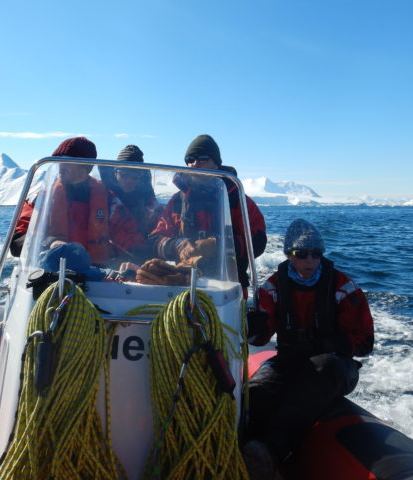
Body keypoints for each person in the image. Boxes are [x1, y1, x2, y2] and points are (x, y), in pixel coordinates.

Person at [243, 219, 374, 478]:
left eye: (316, 254)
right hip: (290, 361)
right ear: (289, 255)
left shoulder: (342, 288)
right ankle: (243, 448)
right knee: (256, 394)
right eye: (301, 254)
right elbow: (260, 339)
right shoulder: (272, 288)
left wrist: (325, 345)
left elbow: (364, 342)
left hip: (336, 367)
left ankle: (271, 454)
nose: (309, 260)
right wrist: (253, 326)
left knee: (318, 372)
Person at [149, 134, 266, 288]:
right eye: (190, 159)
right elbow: (155, 240)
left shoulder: (236, 199)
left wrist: (218, 245)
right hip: (184, 284)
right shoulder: (177, 201)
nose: (195, 164)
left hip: (229, 288)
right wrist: (177, 245)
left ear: (216, 165)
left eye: (202, 158)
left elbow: (257, 242)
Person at [9, 137, 110, 264]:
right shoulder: (39, 199)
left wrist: (137, 255)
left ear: (85, 166)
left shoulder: (108, 199)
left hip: (96, 273)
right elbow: (17, 239)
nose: (61, 166)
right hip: (49, 270)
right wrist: (50, 243)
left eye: (67, 161)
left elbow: (127, 232)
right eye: (59, 161)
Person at [101, 144, 163, 260]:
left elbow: (162, 224)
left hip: (142, 257)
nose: (129, 180)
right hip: (108, 259)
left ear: (141, 177)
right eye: (124, 175)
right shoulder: (103, 197)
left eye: (135, 176)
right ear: (115, 173)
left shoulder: (148, 200)